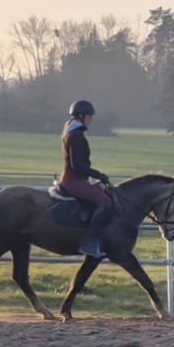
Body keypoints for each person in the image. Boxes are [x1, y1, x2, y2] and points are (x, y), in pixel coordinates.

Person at [59, 99, 114, 258]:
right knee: (105, 202)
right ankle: (90, 242)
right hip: (74, 180)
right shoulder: (76, 136)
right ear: (81, 116)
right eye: (90, 117)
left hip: (75, 178)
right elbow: (79, 167)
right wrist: (99, 175)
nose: (91, 120)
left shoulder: (72, 132)